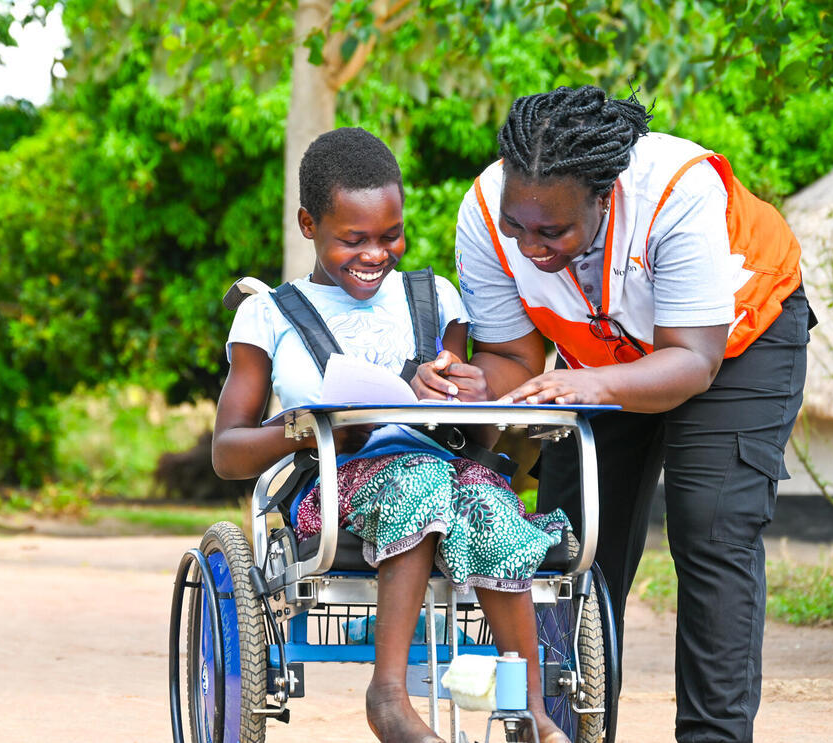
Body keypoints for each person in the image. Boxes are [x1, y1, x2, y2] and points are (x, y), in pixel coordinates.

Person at [424, 86, 811, 743]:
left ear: (606, 196)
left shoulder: (675, 192)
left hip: (735, 341)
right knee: (568, 540)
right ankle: (559, 729)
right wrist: (463, 381)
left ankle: (713, 735)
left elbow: (693, 361)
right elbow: (514, 356)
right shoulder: (488, 213)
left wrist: (591, 384)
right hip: (598, 356)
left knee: (711, 521)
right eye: (520, 227)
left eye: (553, 231)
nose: (530, 247)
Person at [212, 126, 572, 743]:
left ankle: (529, 706)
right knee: (418, 478)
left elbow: (463, 411)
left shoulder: (434, 298)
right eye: (354, 239)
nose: (376, 254)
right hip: (329, 483)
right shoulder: (269, 312)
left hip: (442, 471)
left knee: (488, 495)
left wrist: (459, 386)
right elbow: (227, 451)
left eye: (390, 235)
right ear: (307, 224)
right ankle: (388, 695)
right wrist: (309, 430)